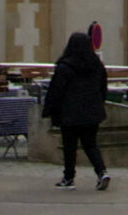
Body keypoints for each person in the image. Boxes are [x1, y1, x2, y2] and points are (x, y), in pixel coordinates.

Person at [43, 31, 111, 191]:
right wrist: (98, 103)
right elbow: (103, 87)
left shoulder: (65, 66)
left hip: (70, 112)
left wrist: (49, 109)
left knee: (69, 146)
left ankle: (69, 177)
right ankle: (101, 171)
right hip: (92, 111)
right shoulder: (96, 65)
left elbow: (56, 90)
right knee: (90, 144)